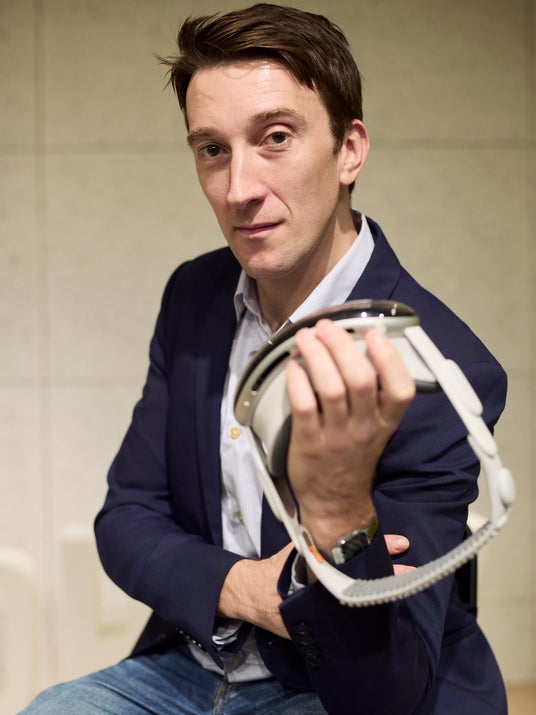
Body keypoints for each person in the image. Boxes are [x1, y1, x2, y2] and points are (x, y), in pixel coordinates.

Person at [21, 4, 508, 714]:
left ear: (349, 150)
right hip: (193, 662)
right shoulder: (195, 295)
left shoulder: (443, 364)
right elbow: (126, 519)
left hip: (334, 686)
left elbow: (388, 691)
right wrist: (243, 587)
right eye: (211, 149)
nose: (238, 189)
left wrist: (338, 510)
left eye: (275, 138)